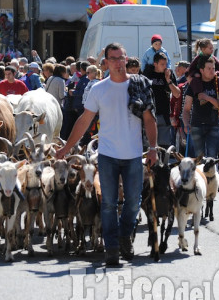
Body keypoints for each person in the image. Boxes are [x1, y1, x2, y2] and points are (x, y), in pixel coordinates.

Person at [55, 43, 158, 266]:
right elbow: (84, 121)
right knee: (108, 203)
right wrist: (65, 149)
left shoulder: (139, 85)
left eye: (121, 58)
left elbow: (150, 119)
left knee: (133, 202)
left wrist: (153, 147)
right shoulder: (99, 89)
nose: (118, 63)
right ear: (106, 62)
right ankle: (112, 247)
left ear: (126, 58)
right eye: (113, 59)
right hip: (108, 155)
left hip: (133, 155)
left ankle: (123, 236)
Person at [182, 55, 219, 158]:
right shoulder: (194, 84)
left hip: (214, 125)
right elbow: (186, 108)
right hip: (197, 126)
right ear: (201, 70)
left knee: (212, 159)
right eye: (209, 68)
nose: (212, 71)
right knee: (199, 159)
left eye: (213, 68)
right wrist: (186, 123)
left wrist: (208, 98)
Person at [147, 51, 180, 147]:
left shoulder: (169, 74)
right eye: (162, 64)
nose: (165, 66)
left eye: (165, 64)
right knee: (150, 145)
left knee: (163, 146)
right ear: (155, 64)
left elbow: (177, 94)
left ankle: (162, 162)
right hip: (150, 113)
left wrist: (168, 80)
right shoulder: (148, 73)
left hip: (163, 113)